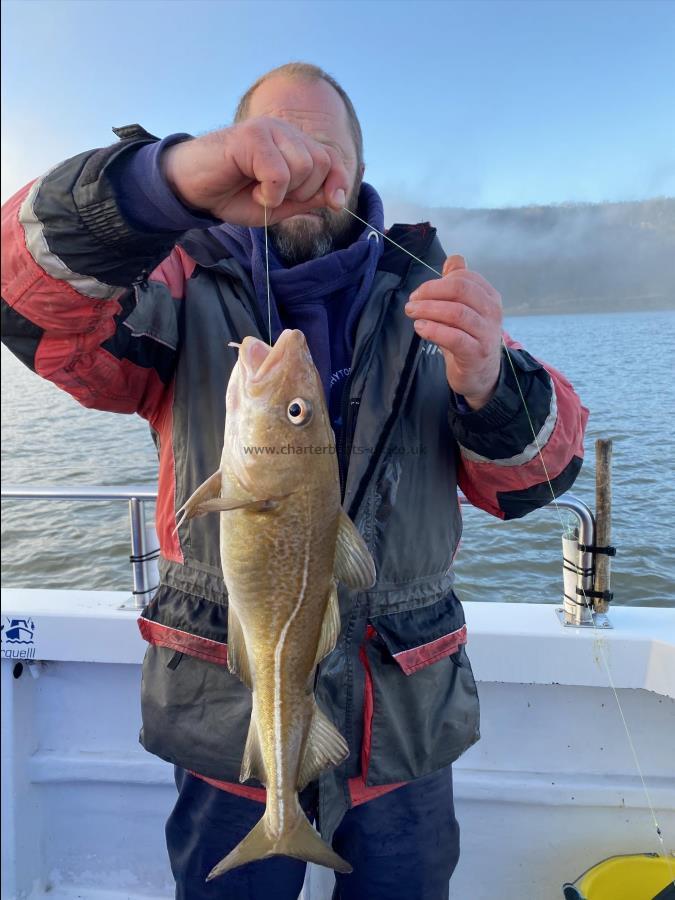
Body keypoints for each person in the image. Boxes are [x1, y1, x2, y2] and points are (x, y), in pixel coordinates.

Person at [1, 62, 588, 900]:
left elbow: (537, 476)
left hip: (402, 731)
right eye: (271, 141)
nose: (299, 163)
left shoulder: (437, 301)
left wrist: (493, 380)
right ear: (231, 155)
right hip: (226, 725)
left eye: (323, 143)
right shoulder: (172, 292)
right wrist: (161, 182)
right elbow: (26, 298)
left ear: (359, 166)